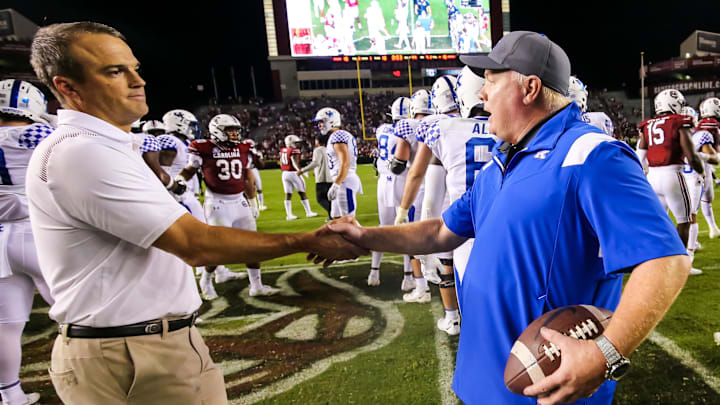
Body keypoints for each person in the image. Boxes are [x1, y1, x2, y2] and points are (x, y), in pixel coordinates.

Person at [328, 31, 691, 405]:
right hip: (479, 382)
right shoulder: (501, 164)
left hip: (544, 388)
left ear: (529, 88)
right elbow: (440, 232)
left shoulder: (592, 155)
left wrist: (605, 354)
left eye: (491, 82)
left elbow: (666, 259)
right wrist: (364, 236)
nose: (482, 95)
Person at [28, 22, 365, 405]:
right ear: (67, 87)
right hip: (127, 351)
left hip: (152, 339)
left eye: (134, 67)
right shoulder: (81, 150)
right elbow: (193, 243)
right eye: (114, 71)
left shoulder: (107, 144)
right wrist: (308, 239)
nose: (137, 80)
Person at [421, 66, 498, 336]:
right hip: (508, 232)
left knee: (476, 323)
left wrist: (427, 251)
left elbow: (430, 201)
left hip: (466, 235)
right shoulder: (514, 127)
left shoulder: (444, 128)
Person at [179, 114, 280, 299]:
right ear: (218, 131)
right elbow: (190, 169)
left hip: (239, 201)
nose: (235, 134)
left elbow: (250, 173)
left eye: (236, 130)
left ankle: (256, 286)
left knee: (253, 245)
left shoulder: (243, 147)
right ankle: (206, 280)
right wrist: (178, 180)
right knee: (219, 249)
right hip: (218, 203)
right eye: (230, 130)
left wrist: (251, 201)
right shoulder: (203, 147)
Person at [0, 79, 55, 405]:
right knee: (76, 314)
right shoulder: (38, 135)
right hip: (37, 233)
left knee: (6, 325)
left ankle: (10, 394)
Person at [637, 89, 704, 276]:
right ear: (674, 105)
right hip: (672, 174)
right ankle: (679, 266)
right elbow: (691, 156)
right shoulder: (678, 122)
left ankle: (654, 262)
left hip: (652, 178)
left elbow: (639, 157)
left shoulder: (647, 125)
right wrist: (700, 171)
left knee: (658, 222)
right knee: (684, 221)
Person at [369, 96, 417, 289]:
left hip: (383, 182)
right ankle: (408, 277)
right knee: (407, 230)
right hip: (402, 180)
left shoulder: (382, 129)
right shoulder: (409, 127)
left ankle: (374, 272)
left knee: (383, 227)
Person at [680, 105, 718, 271]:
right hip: (692, 179)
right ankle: (688, 258)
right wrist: (703, 157)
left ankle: (689, 249)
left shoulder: (675, 135)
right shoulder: (701, 135)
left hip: (679, 179)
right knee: (690, 217)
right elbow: (714, 159)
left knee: (683, 217)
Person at [313, 107, 362, 219]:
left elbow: (345, 163)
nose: (319, 125)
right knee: (336, 218)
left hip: (344, 181)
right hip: (342, 180)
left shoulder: (338, 136)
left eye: (321, 122)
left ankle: (369, 237)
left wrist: (336, 184)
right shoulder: (336, 136)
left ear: (331, 121)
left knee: (348, 222)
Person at [279, 134, 318, 220]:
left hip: (284, 173)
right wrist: (301, 171)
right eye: (295, 142)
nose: (297, 144)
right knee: (302, 192)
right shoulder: (294, 150)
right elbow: (294, 162)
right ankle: (309, 212)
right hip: (293, 173)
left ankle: (289, 215)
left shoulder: (283, 150)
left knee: (288, 194)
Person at [696, 97, 720, 238]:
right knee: (706, 198)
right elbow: (712, 152)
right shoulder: (711, 125)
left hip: (691, 164)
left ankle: (713, 228)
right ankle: (711, 229)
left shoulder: (699, 123)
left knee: (701, 200)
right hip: (703, 162)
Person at [300, 134, 333, 220]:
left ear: (318, 141)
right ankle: (332, 216)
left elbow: (316, 163)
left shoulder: (318, 150)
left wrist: (302, 170)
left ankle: (334, 214)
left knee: (320, 199)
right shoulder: (329, 149)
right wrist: (316, 171)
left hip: (322, 178)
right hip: (331, 177)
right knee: (329, 199)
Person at [244, 139, 267, 211]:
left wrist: (260, 158)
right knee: (246, 189)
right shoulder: (241, 153)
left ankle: (261, 205)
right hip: (245, 170)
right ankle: (248, 205)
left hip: (253, 169)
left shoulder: (254, 153)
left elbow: (262, 165)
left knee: (259, 188)